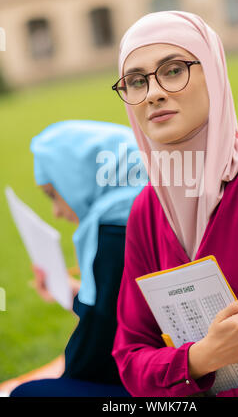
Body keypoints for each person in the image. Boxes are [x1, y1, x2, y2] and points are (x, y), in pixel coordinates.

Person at [110, 11, 238, 397]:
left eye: (174, 69)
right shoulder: (147, 210)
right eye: (136, 81)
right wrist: (198, 359)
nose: (153, 93)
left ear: (212, 73)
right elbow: (130, 358)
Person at [11, 120, 147, 397]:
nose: (57, 212)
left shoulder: (112, 231)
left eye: (53, 194)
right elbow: (121, 314)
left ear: (80, 176)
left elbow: (93, 358)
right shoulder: (152, 204)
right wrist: (77, 293)